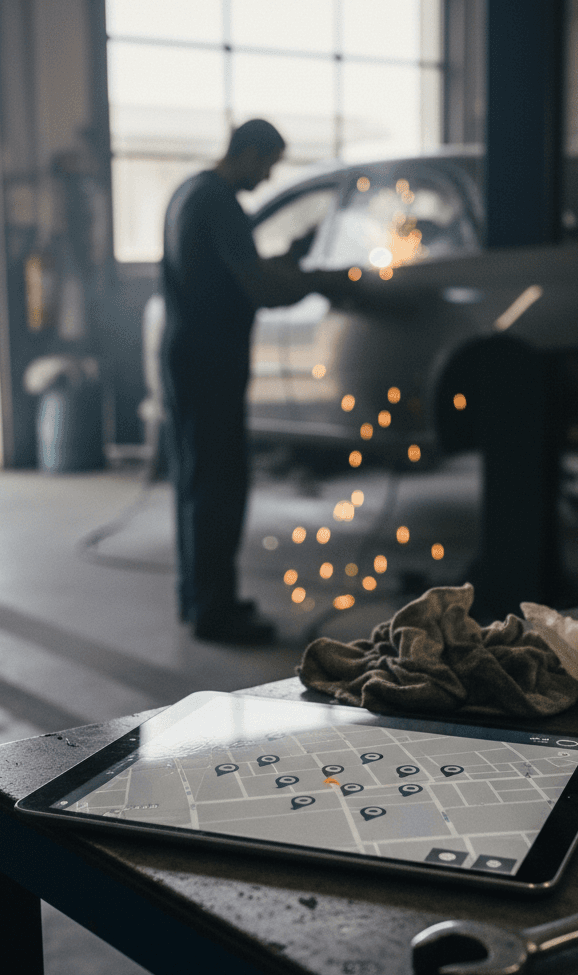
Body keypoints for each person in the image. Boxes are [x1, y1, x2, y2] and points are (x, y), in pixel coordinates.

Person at [160, 119, 341, 644]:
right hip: (210, 362)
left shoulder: (188, 192)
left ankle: (199, 601)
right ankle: (218, 613)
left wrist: (288, 260)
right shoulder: (219, 201)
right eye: (268, 164)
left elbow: (232, 270)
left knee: (197, 483)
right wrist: (317, 282)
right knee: (220, 484)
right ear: (250, 151)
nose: (266, 179)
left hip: (186, 356)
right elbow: (257, 288)